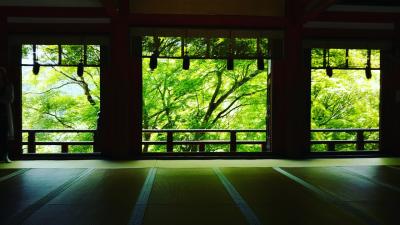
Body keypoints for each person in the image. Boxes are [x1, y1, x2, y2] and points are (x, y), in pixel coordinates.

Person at [0, 67, 14, 163]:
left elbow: (10, 99)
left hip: (4, 112)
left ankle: (5, 155)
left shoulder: (8, 85)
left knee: (4, 135)